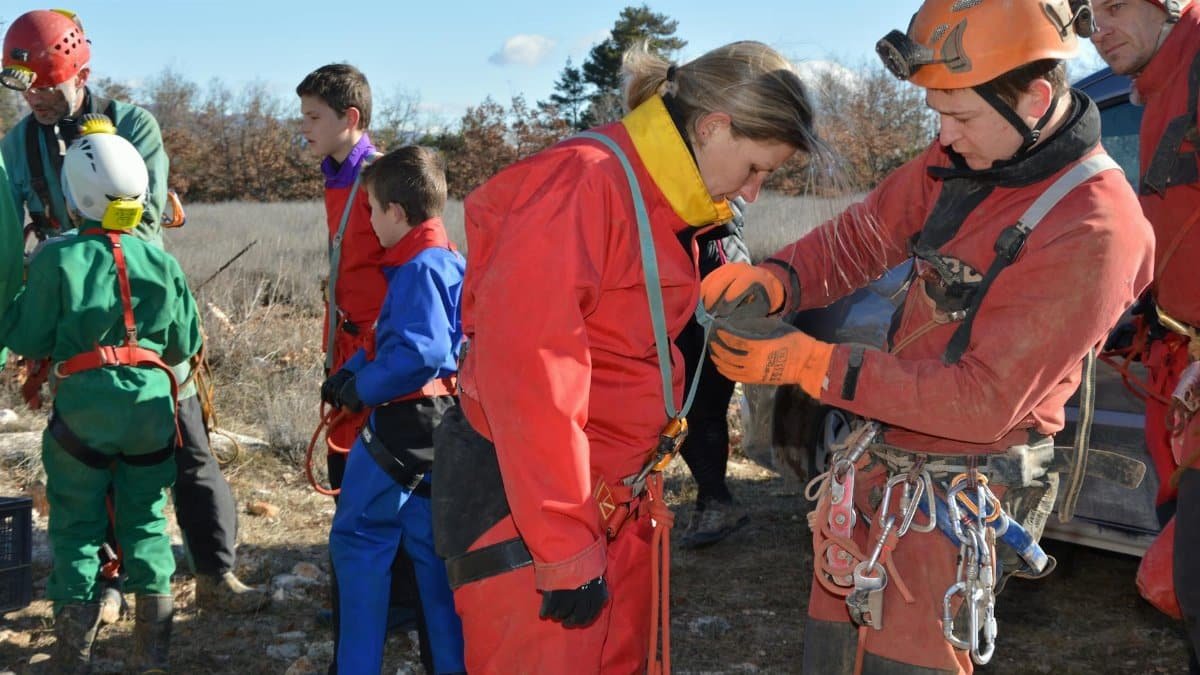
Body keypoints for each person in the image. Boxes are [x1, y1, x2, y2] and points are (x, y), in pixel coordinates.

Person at [701, 1, 1155, 673]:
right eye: (937, 113)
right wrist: (779, 278)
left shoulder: (1097, 229)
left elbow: (981, 399)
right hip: (883, 466)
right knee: (833, 649)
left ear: (1034, 98)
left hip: (961, 496)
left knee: (906, 659)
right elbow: (867, 233)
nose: (943, 134)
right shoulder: (965, 155)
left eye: (960, 115)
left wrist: (814, 363)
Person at [432, 40, 818, 673]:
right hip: (531, 520)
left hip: (612, 505)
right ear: (713, 126)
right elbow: (530, 373)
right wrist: (564, 549)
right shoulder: (583, 182)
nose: (753, 191)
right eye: (755, 168)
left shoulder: (659, 199)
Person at [0, 8, 267, 617]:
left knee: (186, 445)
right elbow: (10, 238)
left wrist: (78, 246)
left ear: (80, 72)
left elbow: (141, 221)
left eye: (50, 86)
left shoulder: (133, 125)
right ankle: (114, 582)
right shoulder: (17, 147)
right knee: (91, 456)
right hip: (73, 318)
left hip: (140, 311)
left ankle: (215, 573)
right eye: (29, 89)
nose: (38, 99)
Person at [0, 118, 201, 673]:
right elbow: (187, 341)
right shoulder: (162, 262)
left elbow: (25, 335)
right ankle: (150, 659)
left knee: (75, 528)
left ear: (75, 196)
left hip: (82, 420)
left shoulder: (58, 260)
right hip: (150, 417)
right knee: (145, 523)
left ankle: (72, 660)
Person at [295, 62, 429, 672]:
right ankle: (375, 595)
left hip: (379, 356)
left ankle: (389, 600)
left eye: (313, 118)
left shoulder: (380, 185)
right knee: (352, 466)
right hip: (350, 346)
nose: (304, 129)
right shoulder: (337, 176)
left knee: (381, 469)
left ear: (351, 120)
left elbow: (412, 267)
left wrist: (376, 358)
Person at [321, 146, 466, 675]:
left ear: (397, 214)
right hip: (442, 431)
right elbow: (399, 337)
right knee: (433, 558)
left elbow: (421, 352)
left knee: (358, 542)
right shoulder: (448, 259)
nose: (370, 220)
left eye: (373, 210)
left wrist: (365, 389)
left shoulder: (417, 268)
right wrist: (352, 370)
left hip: (400, 431)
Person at [1091, 0, 1200, 671]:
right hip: (1175, 363)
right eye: (1089, 13)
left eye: (1116, 5)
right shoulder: (1158, 86)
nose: (1098, 27)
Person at [678, 197, 751, 549]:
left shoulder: (720, 160)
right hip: (678, 297)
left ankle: (715, 501)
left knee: (705, 409)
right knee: (677, 409)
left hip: (723, 296)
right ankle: (714, 499)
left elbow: (730, 213)